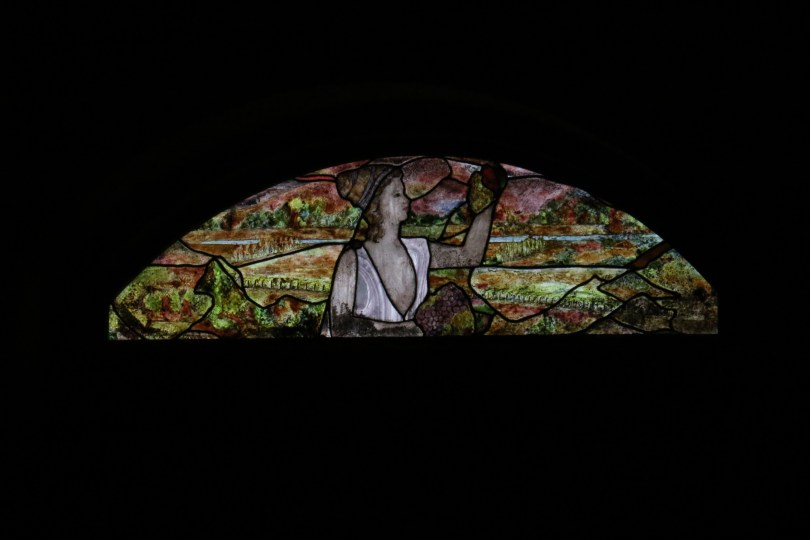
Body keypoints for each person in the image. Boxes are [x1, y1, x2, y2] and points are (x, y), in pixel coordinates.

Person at [322, 162, 503, 337]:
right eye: (397, 195)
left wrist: (486, 202)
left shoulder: (419, 251)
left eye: (404, 193)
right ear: (375, 205)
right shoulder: (352, 261)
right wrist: (411, 330)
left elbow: (469, 256)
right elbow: (340, 326)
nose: (406, 199)